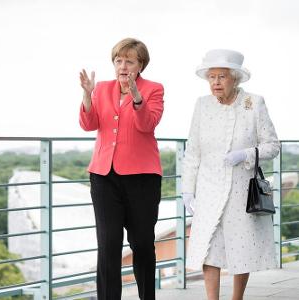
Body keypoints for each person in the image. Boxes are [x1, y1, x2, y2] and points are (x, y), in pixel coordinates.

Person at [182, 49, 280, 300]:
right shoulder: (202, 105)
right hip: (209, 187)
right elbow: (192, 150)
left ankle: (237, 298)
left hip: (240, 189)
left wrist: (245, 154)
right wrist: (187, 189)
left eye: (221, 77)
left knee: (241, 248)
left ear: (235, 78)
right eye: (211, 76)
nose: (215, 82)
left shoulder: (253, 103)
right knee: (208, 248)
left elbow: (273, 146)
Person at [79, 37, 164, 300]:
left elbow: (147, 124)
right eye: (119, 60)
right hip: (104, 177)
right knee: (108, 245)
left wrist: (137, 98)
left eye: (129, 60)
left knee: (141, 244)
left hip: (142, 178)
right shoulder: (102, 88)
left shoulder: (153, 89)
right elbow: (88, 124)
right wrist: (86, 95)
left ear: (140, 65)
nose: (123, 65)